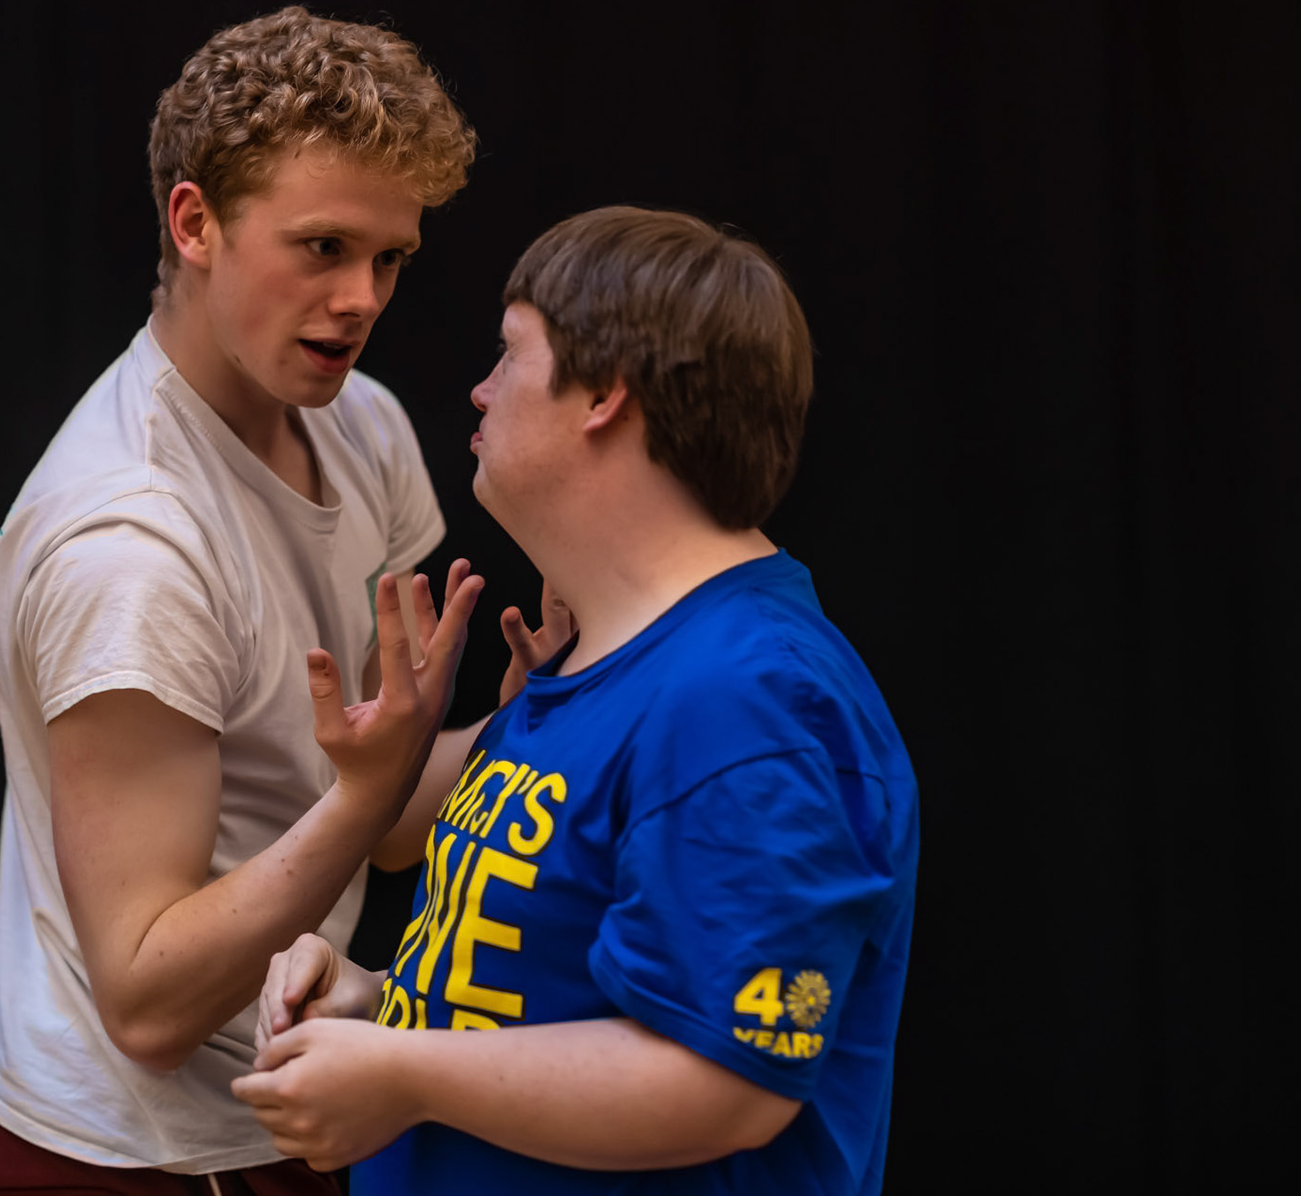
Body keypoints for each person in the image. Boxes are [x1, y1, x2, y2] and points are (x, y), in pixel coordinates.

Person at [233, 207, 922, 1194]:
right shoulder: (597, 659)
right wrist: (381, 1007)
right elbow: (553, 1005)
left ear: (605, 395)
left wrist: (404, 1070)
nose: (480, 388)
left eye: (509, 352)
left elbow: (725, 1080)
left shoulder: (747, 699)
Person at [0, 7, 486, 1194]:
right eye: (323, 246)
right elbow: (146, 1002)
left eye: (390, 258)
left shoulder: (367, 427)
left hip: (281, 1110)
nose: (362, 297)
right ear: (194, 224)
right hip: (107, 1156)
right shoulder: (130, 545)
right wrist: (370, 791)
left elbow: (383, 818)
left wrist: (552, 721)